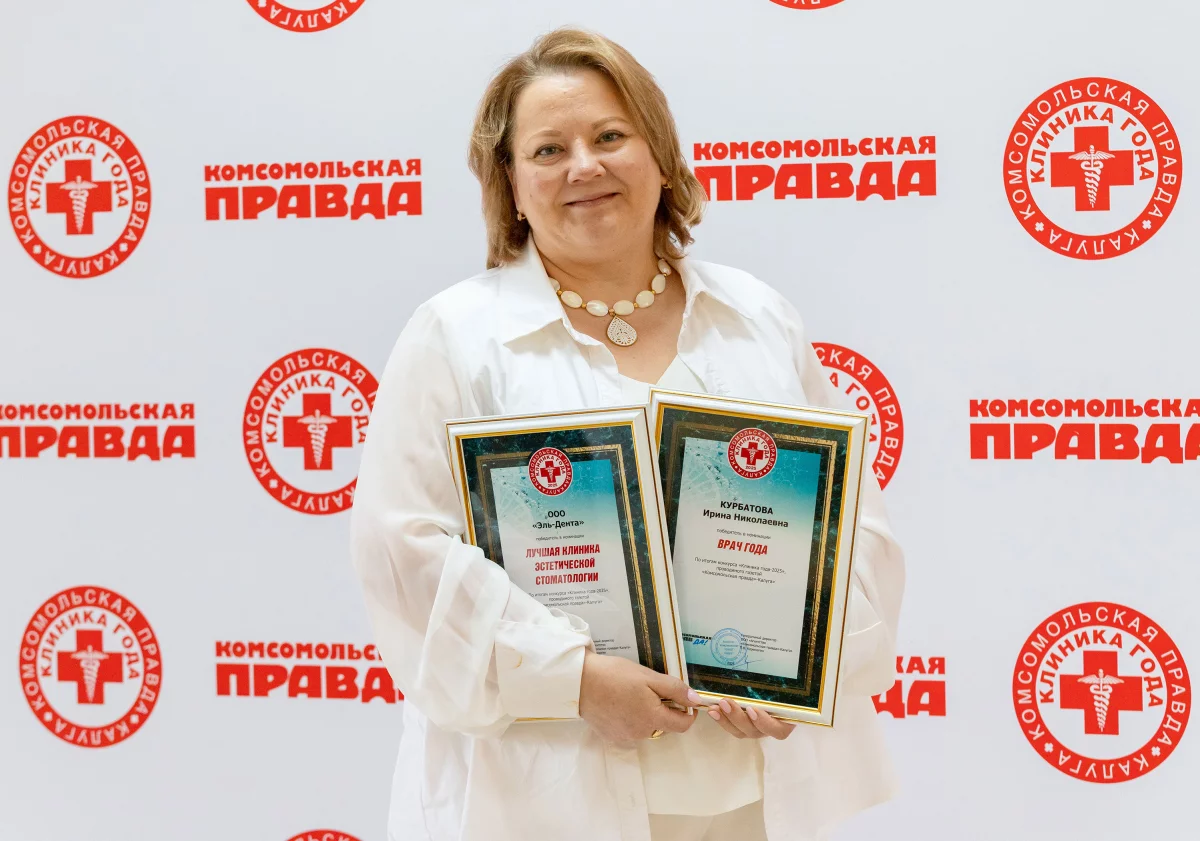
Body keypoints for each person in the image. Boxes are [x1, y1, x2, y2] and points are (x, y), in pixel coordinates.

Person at [349, 26, 905, 841]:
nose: (584, 166)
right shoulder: (453, 337)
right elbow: (403, 554)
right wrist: (571, 677)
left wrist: (800, 663)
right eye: (548, 149)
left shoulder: (757, 317)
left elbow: (854, 526)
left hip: (746, 789)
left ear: (659, 155)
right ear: (511, 182)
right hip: (546, 790)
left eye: (611, 136)